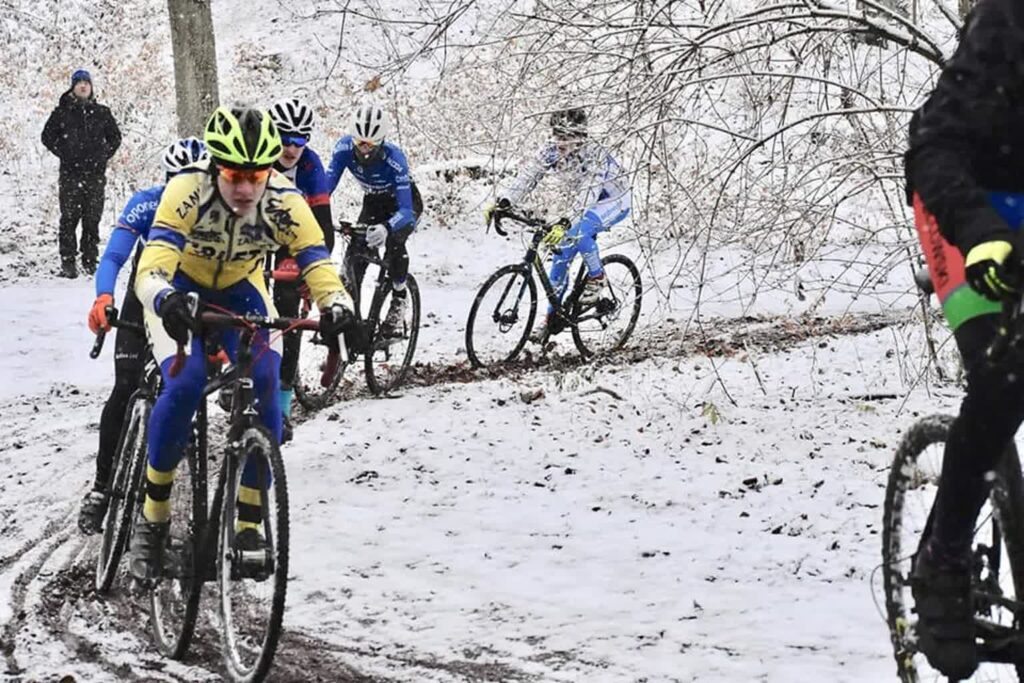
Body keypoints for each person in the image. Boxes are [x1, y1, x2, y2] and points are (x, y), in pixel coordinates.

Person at [127, 106, 354, 581]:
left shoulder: (284, 200)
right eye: (234, 175)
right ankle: (153, 515)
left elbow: (316, 259)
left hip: (241, 290)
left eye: (257, 175)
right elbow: (150, 269)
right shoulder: (186, 191)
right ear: (215, 167)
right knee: (185, 384)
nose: (247, 188)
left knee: (269, 381)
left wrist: (337, 304)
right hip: (181, 291)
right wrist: (166, 298)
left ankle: (249, 521)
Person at [904, 0, 1024, 677]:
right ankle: (943, 557)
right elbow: (936, 145)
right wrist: (979, 231)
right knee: (1008, 368)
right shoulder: (1009, 22)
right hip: (964, 199)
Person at [77, 138, 208, 535]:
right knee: (124, 387)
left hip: (190, 297)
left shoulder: (218, 210)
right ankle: (102, 488)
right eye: (175, 181)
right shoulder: (148, 202)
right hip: (144, 296)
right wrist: (103, 296)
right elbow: (115, 256)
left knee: (186, 388)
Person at [484, 107, 631, 343]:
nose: (559, 141)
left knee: (577, 231)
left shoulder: (594, 156)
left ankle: (597, 278)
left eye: (566, 136)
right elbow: (528, 176)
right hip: (585, 204)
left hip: (614, 201)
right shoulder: (551, 150)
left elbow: (588, 194)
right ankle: (550, 321)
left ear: (580, 136)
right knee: (560, 258)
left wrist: (566, 220)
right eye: (556, 134)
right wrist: (504, 201)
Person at [325, 101, 423, 336]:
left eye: (371, 144)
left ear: (381, 141)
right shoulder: (343, 150)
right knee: (355, 256)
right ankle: (350, 324)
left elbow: (407, 211)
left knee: (395, 245)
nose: (365, 150)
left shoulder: (394, 158)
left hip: (402, 203)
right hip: (373, 202)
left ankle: (399, 296)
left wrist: (388, 228)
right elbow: (325, 187)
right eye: (360, 143)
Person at [267, 97, 334, 439]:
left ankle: (281, 400)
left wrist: (311, 269)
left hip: (295, 239)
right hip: (258, 233)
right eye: (285, 138)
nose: (292, 147)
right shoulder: (260, 155)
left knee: (286, 316)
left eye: (300, 139)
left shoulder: (310, 166)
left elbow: (324, 227)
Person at [41, 69, 122, 278]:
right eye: (79, 83)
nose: (83, 86)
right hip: (70, 175)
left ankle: (90, 259)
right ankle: (68, 262)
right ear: (73, 87)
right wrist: (64, 152)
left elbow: (115, 138)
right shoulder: (62, 112)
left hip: (95, 175)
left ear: (91, 87)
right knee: (69, 218)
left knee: (92, 218)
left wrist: (103, 155)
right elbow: (47, 136)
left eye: (87, 82)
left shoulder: (102, 112)